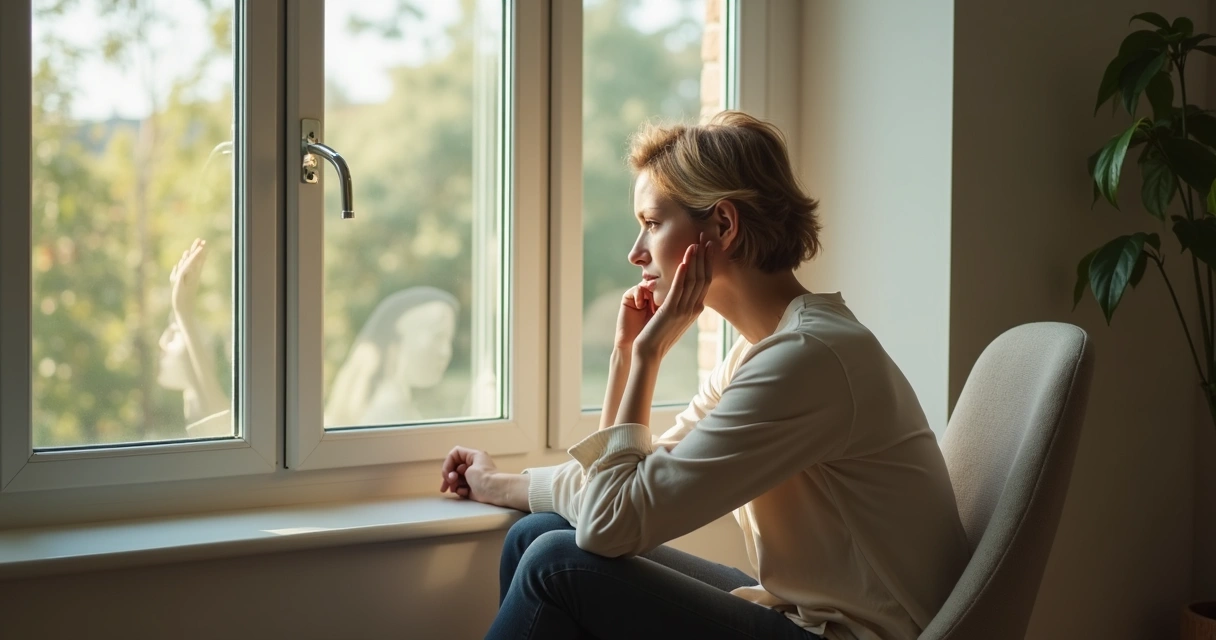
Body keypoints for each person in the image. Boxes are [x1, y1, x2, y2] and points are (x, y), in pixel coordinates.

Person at [438, 111, 970, 639]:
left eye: (651, 223)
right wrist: (619, 361)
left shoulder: (808, 360)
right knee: (540, 533)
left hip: (851, 636)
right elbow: (620, 486)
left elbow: (609, 521)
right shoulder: (763, 351)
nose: (635, 252)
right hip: (799, 616)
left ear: (723, 225)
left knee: (557, 563)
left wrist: (645, 359)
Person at [325, 287, 460, 427]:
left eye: (449, 340)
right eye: (438, 337)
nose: (446, 352)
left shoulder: (392, 404)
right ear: (398, 341)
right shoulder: (387, 411)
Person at [158, 238, 231, 438]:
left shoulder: (214, 408)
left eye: (175, 329)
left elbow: (223, 425)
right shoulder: (191, 402)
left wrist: (184, 313)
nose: (162, 342)